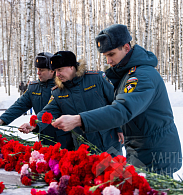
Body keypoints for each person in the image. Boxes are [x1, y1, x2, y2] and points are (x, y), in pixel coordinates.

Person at [49, 24, 182, 177]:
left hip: (155, 153)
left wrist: (80, 119)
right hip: (141, 149)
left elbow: (122, 109)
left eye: (111, 54)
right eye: (105, 56)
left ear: (126, 47)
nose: (109, 61)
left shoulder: (141, 75)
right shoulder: (128, 73)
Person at [19, 51, 123, 156]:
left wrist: (120, 128)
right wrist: (33, 124)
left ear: (71, 67)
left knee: (116, 171)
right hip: (83, 148)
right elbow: (48, 111)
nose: (57, 74)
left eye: (60, 70)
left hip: (109, 142)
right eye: (55, 71)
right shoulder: (58, 91)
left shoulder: (96, 78)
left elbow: (116, 102)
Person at [0, 52, 74, 150]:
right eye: (37, 69)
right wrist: (2, 120)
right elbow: (20, 105)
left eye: (42, 70)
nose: (38, 73)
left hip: (64, 141)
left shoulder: (63, 87)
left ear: (52, 71)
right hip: (43, 138)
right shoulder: (34, 88)